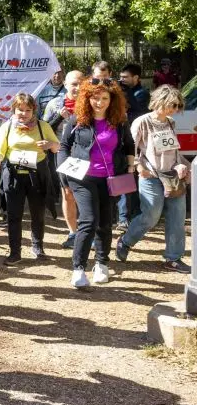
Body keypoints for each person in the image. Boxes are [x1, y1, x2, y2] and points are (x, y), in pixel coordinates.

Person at [58, 78, 135, 288]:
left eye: (104, 98)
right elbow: (64, 146)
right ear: (87, 98)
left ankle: (101, 263)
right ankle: (78, 269)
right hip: (82, 178)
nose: (99, 103)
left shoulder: (120, 121)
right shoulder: (77, 120)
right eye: (95, 98)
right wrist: (63, 172)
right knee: (89, 220)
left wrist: (130, 167)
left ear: (112, 100)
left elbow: (129, 144)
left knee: (105, 222)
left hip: (111, 179)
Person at [116, 86, 190, 273]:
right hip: (150, 176)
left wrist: (180, 165)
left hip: (172, 176)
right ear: (160, 102)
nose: (175, 109)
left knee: (177, 217)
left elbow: (173, 150)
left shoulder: (171, 122)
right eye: (172, 105)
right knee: (151, 216)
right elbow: (130, 147)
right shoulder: (141, 122)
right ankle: (125, 241)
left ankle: (173, 258)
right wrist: (139, 167)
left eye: (177, 106)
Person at [0, 94, 59, 265]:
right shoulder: (7, 127)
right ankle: (15, 252)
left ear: (34, 110)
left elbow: (57, 147)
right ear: (14, 109)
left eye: (28, 110)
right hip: (13, 175)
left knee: (38, 213)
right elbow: (0, 149)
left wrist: (49, 145)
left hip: (37, 175)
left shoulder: (43, 126)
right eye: (20, 110)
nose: (24, 114)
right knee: (14, 215)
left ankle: (37, 247)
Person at [44, 70, 84, 248]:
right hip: (63, 153)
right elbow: (44, 128)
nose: (77, 87)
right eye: (74, 84)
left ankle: (88, 231)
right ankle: (73, 232)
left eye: (81, 83)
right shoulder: (55, 104)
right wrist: (59, 116)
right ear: (65, 84)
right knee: (67, 193)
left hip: (87, 154)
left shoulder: (92, 103)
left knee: (86, 193)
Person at [117, 63, 149, 227]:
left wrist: (125, 93)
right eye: (120, 77)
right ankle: (123, 215)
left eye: (125, 77)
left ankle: (133, 212)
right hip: (123, 137)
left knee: (133, 176)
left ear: (136, 78)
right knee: (125, 175)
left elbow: (138, 110)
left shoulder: (142, 93)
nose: (122, 80)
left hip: (137, 140)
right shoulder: (122, 91)